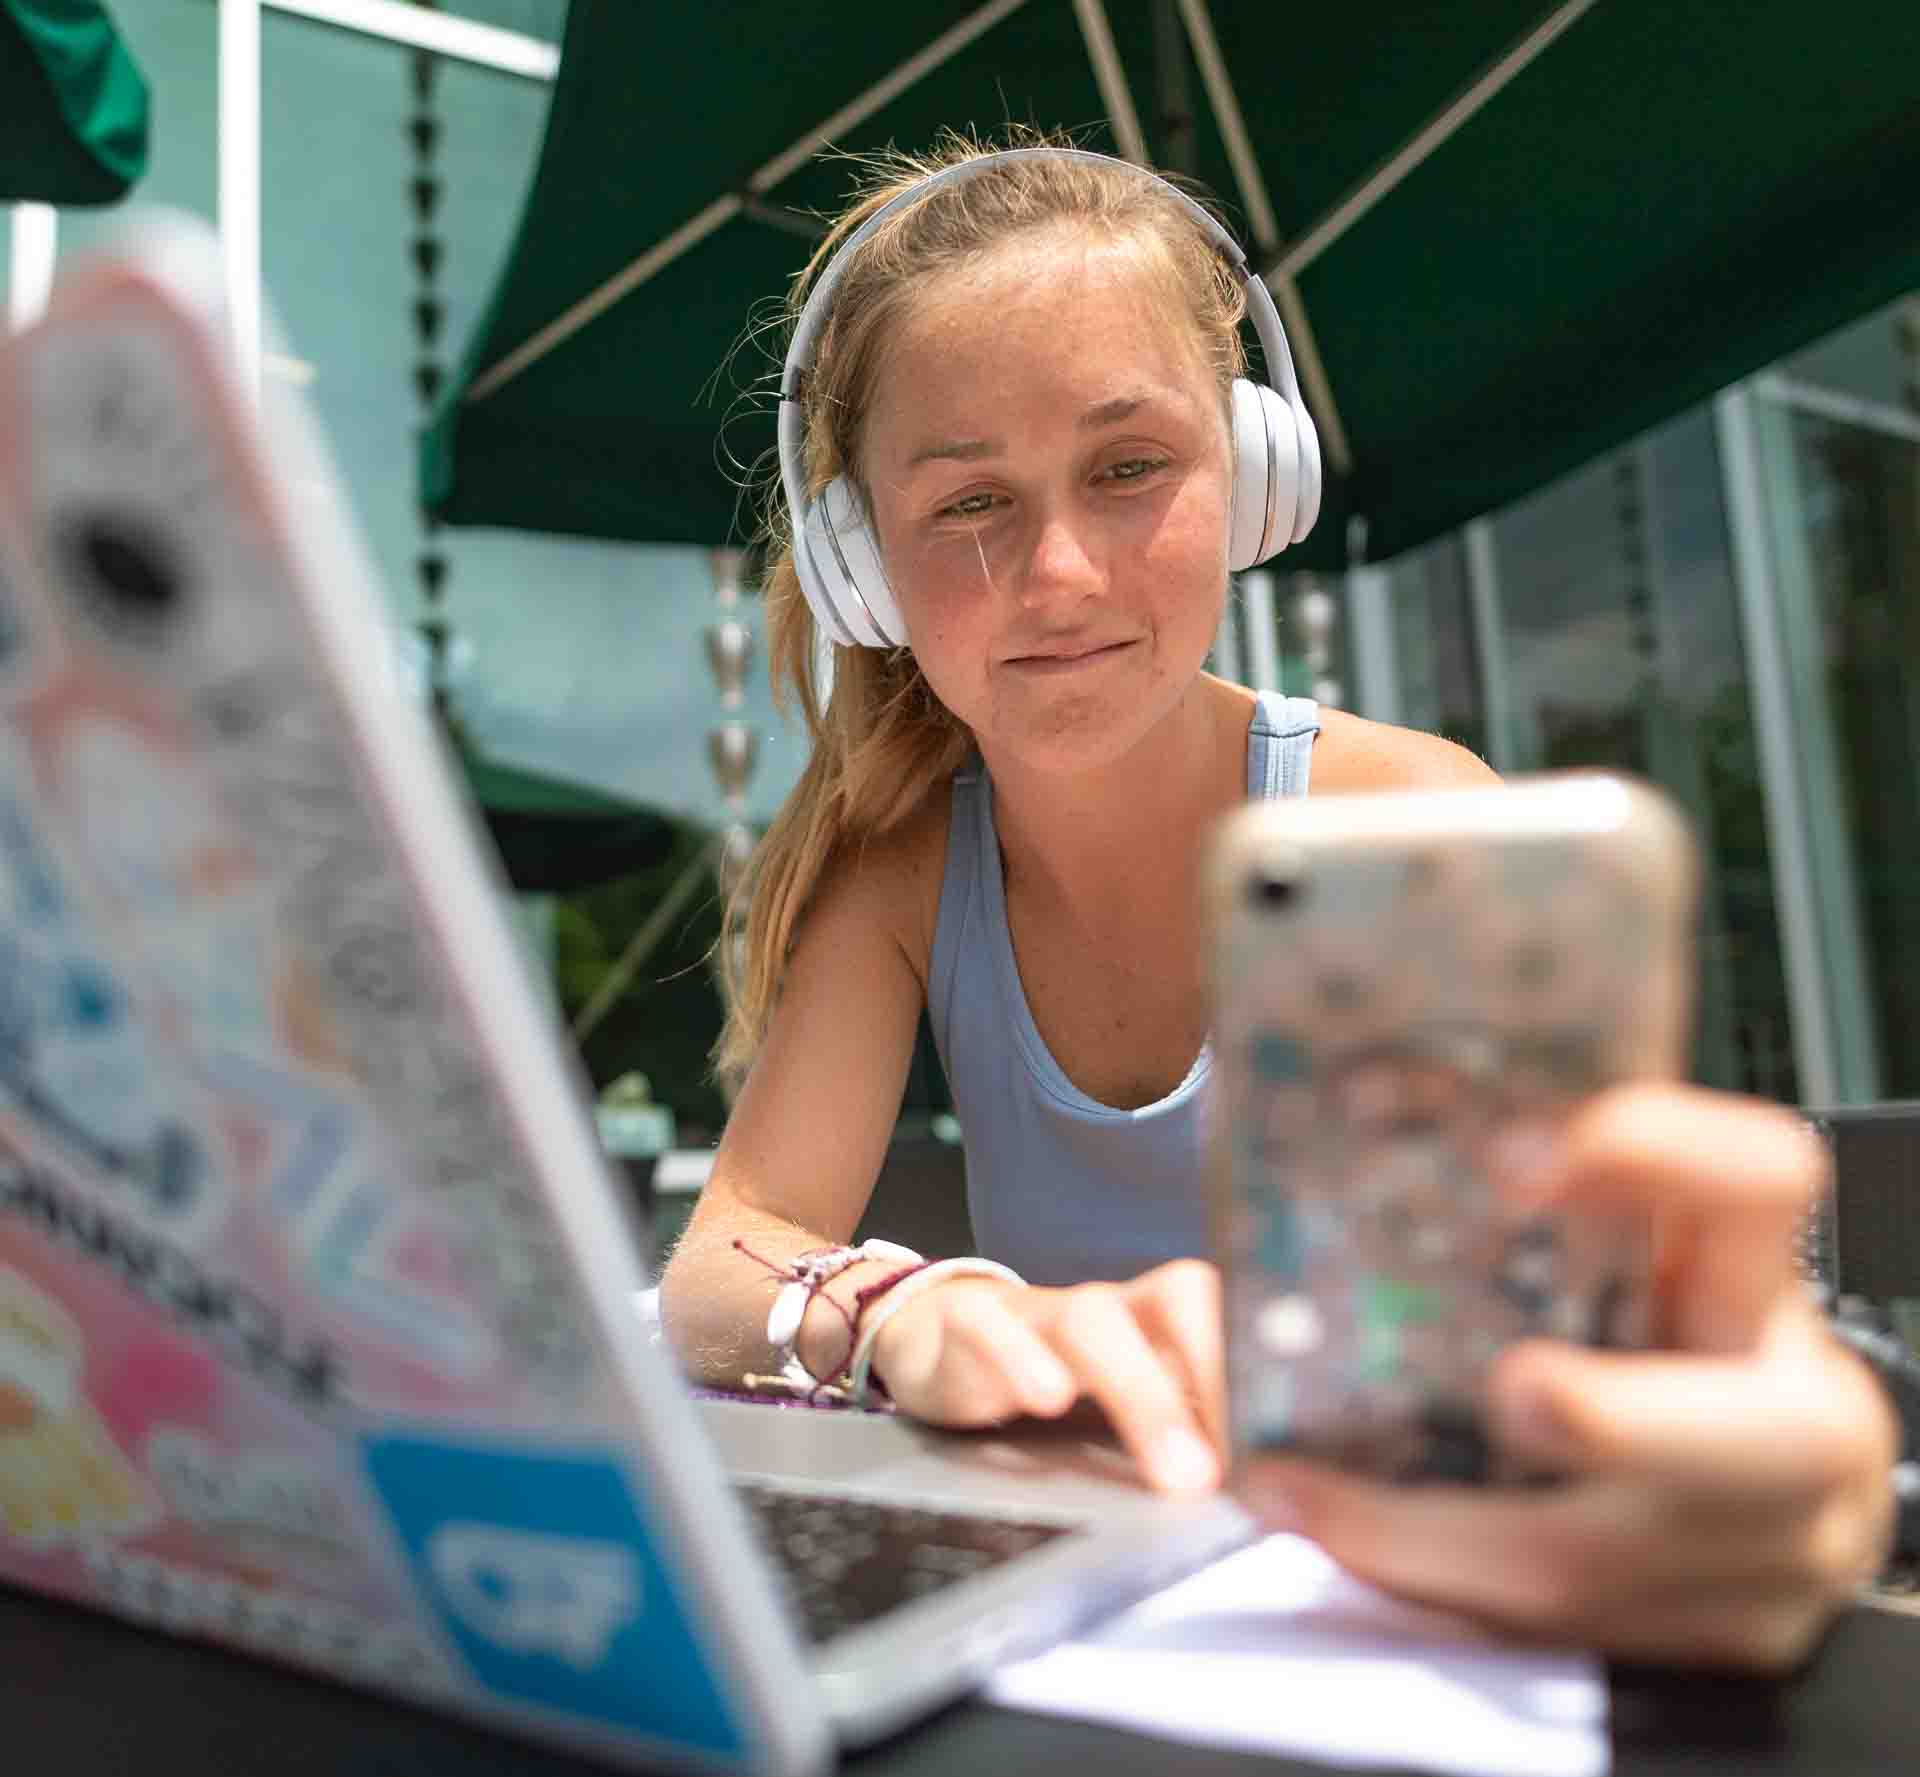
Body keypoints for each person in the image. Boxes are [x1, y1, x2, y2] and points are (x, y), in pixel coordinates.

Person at [659, 133, 1896, 1671]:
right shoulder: (902, 868)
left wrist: (1774, 1423)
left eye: (1129, 468)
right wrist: (902, 1314)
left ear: (1253, 479)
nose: (1060, 573)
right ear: (864, 570)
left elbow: (1670, 1317)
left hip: (1420, 1613)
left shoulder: (1411, 817)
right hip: (1104, 1625)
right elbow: (728, 1258)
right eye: (969, 501)